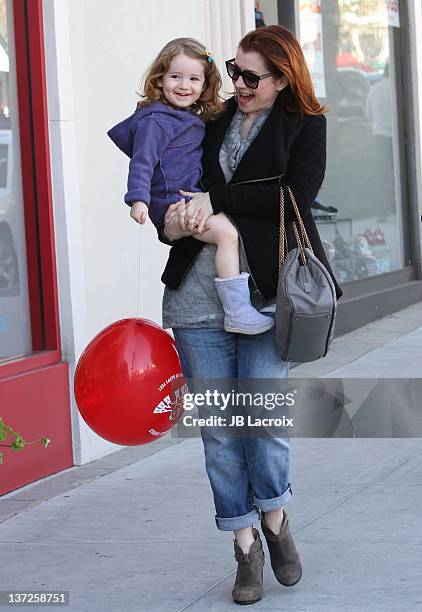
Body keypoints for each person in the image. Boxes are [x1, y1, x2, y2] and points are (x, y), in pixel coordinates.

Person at [160, 25, 343, 605]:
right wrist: (173, 215)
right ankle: (243, 543)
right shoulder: (208, 121)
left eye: (251, 76)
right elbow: (177, 188)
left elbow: (296, 193)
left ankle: (276, 519)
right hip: (196, 294)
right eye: (234, 71)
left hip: (266, 296)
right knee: (219, 430)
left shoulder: (304, 124)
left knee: (263, 424)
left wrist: (219, 200)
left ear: (282, 77)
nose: (237, 83)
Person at [108, 37, 274, 335]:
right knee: (227, 235)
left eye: (193, 79)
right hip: (174, 202)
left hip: (187, 198)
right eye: (175, 77)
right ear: (159, 80)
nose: (184, 85)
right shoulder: (156, 122)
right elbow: (142, 162)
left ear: (204, 83)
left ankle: (238, 308)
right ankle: (237, 310)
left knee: (228, 232)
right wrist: (138, 200)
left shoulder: (189, 117)